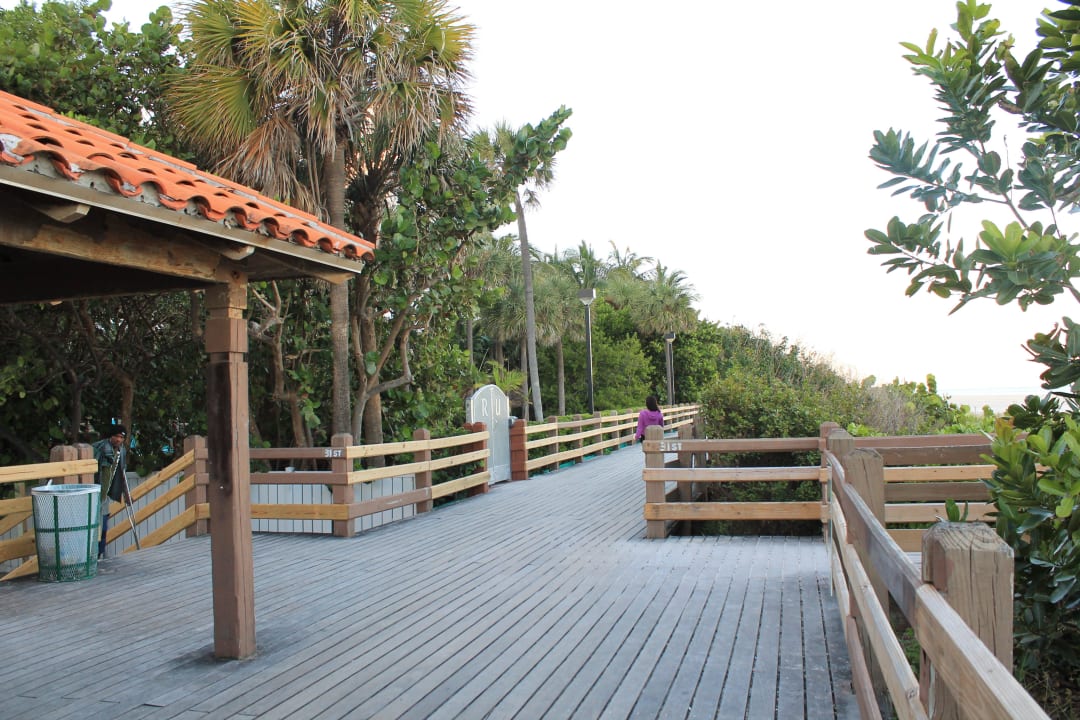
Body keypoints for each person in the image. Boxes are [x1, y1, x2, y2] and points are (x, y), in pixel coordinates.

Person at [92, 423, 128, 559]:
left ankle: (99, 554)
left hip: (105, 493)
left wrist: (126, 494)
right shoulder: (99, 448)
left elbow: (121, 473)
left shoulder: (121, 451)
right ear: (111, 436)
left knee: (104, 526)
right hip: (96, 490)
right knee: (96, 525)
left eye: (121, 437)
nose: (118, 440)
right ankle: (93, 555)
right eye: (116, 436)